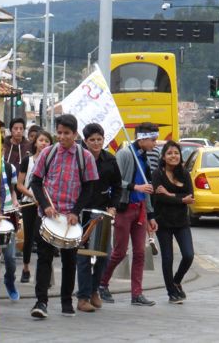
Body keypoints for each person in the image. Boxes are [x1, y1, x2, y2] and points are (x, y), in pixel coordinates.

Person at [29, 114, 99, 319]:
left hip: (70, 218)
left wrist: (76, 211)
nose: (62, 137)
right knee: (44, 258)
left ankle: (66, 301)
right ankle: (41, 302)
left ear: (75, 134)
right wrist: (45, 205)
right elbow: (36, 182)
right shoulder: (48, 153)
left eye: (66, 133)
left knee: (69, 261)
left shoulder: (85, 157)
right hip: (48, 216)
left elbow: (89, 188)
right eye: (59, 133)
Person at [99, 122, 159, 307]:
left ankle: (137, 293)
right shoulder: (124, 154)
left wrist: (151, 215)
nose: (155, 143)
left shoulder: (146, 158)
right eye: (153, 139)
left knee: (140, 253)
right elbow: (116, 182)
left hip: (140, 209)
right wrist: (135, 187)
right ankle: (102, 283)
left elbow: (147, 188)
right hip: (124, 209)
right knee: (119, 252)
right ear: (142, 139)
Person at [76, 123, 122, 312]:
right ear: (85, 141)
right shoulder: (79, 159)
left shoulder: (110, 160)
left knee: (105, 255)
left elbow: (118, 186)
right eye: (92, 140)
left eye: (99, 139)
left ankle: (95, 290)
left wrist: (113, 206)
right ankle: (83, 297)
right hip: (81, 213)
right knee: (83, 258)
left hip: (102, 213)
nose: (96, 143)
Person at [151, 140, 195, 304]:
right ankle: (171, 292)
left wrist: (169, 195)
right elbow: (159, 198)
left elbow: (190, 197)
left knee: (188, 255)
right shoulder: (157, 174)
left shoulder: (184, 173)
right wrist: (180, 199)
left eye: (176, 153)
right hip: (163, 222)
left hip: (181, 222)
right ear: (163, 156)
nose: (173, 156)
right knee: (167, 258)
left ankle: (176, 281)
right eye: (169, 153)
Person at [16, 130, 53, 283]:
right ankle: (26, 268)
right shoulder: (27, 160)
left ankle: (45, 272)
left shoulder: (53, 161)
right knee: (29, 237)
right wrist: (33, 196)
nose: (44, 143)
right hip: (29, 202)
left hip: (48, 204)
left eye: (47, 141)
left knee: (45, 237)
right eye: (41, 140)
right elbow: (19, 185)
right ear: (35, 143)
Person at [0, 143, 20, 301]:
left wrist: (15, 201)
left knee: (10, 258)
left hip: (7, 214)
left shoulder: (9, 167)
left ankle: (10, 280)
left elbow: (12, 190)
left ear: (3, 150)